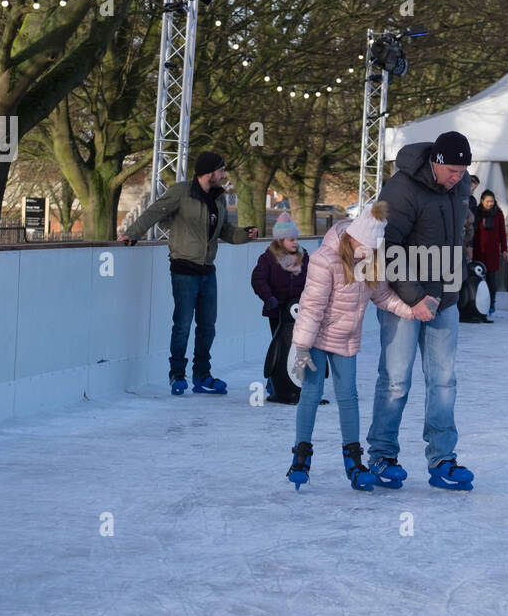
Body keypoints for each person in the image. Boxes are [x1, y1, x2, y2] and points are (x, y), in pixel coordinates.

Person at [366, 130, 475, 491]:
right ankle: (382, 455)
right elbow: (388, 245)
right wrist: (414, 298)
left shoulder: (458, 189)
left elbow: (456, 237)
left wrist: (452, 284)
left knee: (444, 381)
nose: (459, 179)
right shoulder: (401, 188)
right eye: (453, 171)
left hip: (444, 299)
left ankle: (443, 459)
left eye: (463, 172)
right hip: (404, 302)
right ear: (436, 162)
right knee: (396, 380)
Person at [285, 202, 417, 491]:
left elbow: (382, 296)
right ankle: (301, 457)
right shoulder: (325, 259)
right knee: (311, 392)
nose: (367, 253)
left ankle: (354, 461)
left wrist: (411, 311)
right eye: (365, 247)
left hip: (345, 339)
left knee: (349, 397)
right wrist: (302, 347)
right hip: (317, 338)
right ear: (353, 237)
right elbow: (311, 307)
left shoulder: (369, 260)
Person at [119, 151, 257, 394]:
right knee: (182, 324)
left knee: (207, 326)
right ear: (210, 172)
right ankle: (177, 374)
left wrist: (245, 234)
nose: (224, 175)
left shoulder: (218, 198)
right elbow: (155, 212)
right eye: (221, 170)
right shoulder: (181, 192)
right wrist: (133, 233)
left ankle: (202, 375)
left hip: (207, 269)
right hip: (183, 268)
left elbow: (224, 230)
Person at [251, 212, 308, 403]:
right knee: (280, 346)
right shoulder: (268, 258)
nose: (295, 242)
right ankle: (275, 381)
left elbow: (312, 280)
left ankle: (299, 382)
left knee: (300, 347)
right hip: (277, 310)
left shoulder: (303, 256)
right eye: (291, 239)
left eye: (296, 239)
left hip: (300, 311)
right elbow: (259, 280)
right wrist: (269, 298)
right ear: (280, 240)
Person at [472, 189, 508, 317]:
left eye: (492, 201)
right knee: (477, 278)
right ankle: (476, 304)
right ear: (482, 201)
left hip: (492, 253)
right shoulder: (476, 213)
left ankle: (491, 303)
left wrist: (504, 249)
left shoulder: (498, 214)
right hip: (478, 251)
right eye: (487, 201)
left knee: (491, 280)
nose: (490, 204)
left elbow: (502, 233)